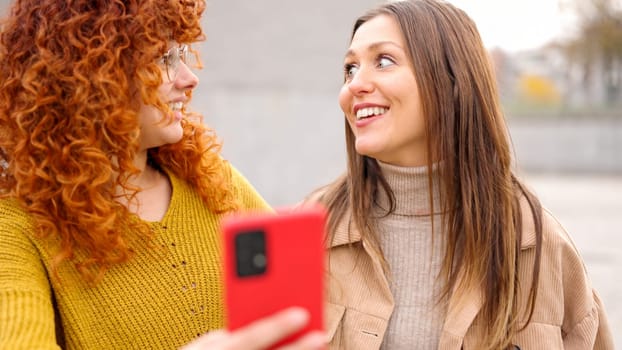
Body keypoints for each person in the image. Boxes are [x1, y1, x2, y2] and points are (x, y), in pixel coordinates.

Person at [0, 0, 325, 349]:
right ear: (90, 79)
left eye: (181, 55)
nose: (190, 78)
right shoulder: (18, 228)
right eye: (162, 59)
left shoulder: (213, 180)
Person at [305, 0, 614, 349]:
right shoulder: (310, 231)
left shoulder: (539, 246)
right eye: (350, 68)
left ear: (452, 80)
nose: (354, 85)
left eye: (384, 61)